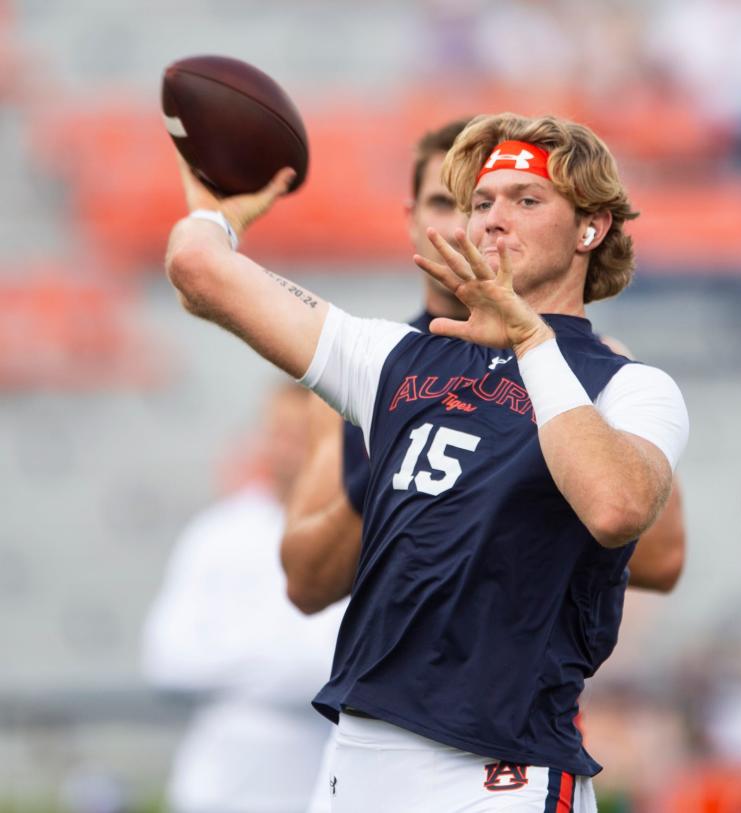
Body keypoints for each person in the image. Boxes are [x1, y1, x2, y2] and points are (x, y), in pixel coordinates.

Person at [163, 112, 688, 812]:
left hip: (497, 772)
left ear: (590, 229)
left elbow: (616, 505)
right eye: (481, 203)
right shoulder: (397, 357)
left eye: (526, 201)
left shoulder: (627, 383)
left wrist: (531, 339)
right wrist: (215, 213)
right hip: (358, 759)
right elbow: (201, 274)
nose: (494, 219)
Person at [281, 118, 686, 619]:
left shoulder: (599, 369)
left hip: (525, 683)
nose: (480, 226)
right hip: (387, 677)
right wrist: (404, 449)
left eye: (523, 201)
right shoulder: (371, 366)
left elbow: (661, 558)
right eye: (457, 204)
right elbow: (304, 584)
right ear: (411, 219)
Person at [141, 383, 345, 813]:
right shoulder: (215, 533)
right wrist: (282, 663)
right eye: (276, 433)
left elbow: (335, 673)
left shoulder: (356, 539)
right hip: (213, 793)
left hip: (318, 792)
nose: (283, 449)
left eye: (298, 434)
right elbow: (167, 659)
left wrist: (230, 663)